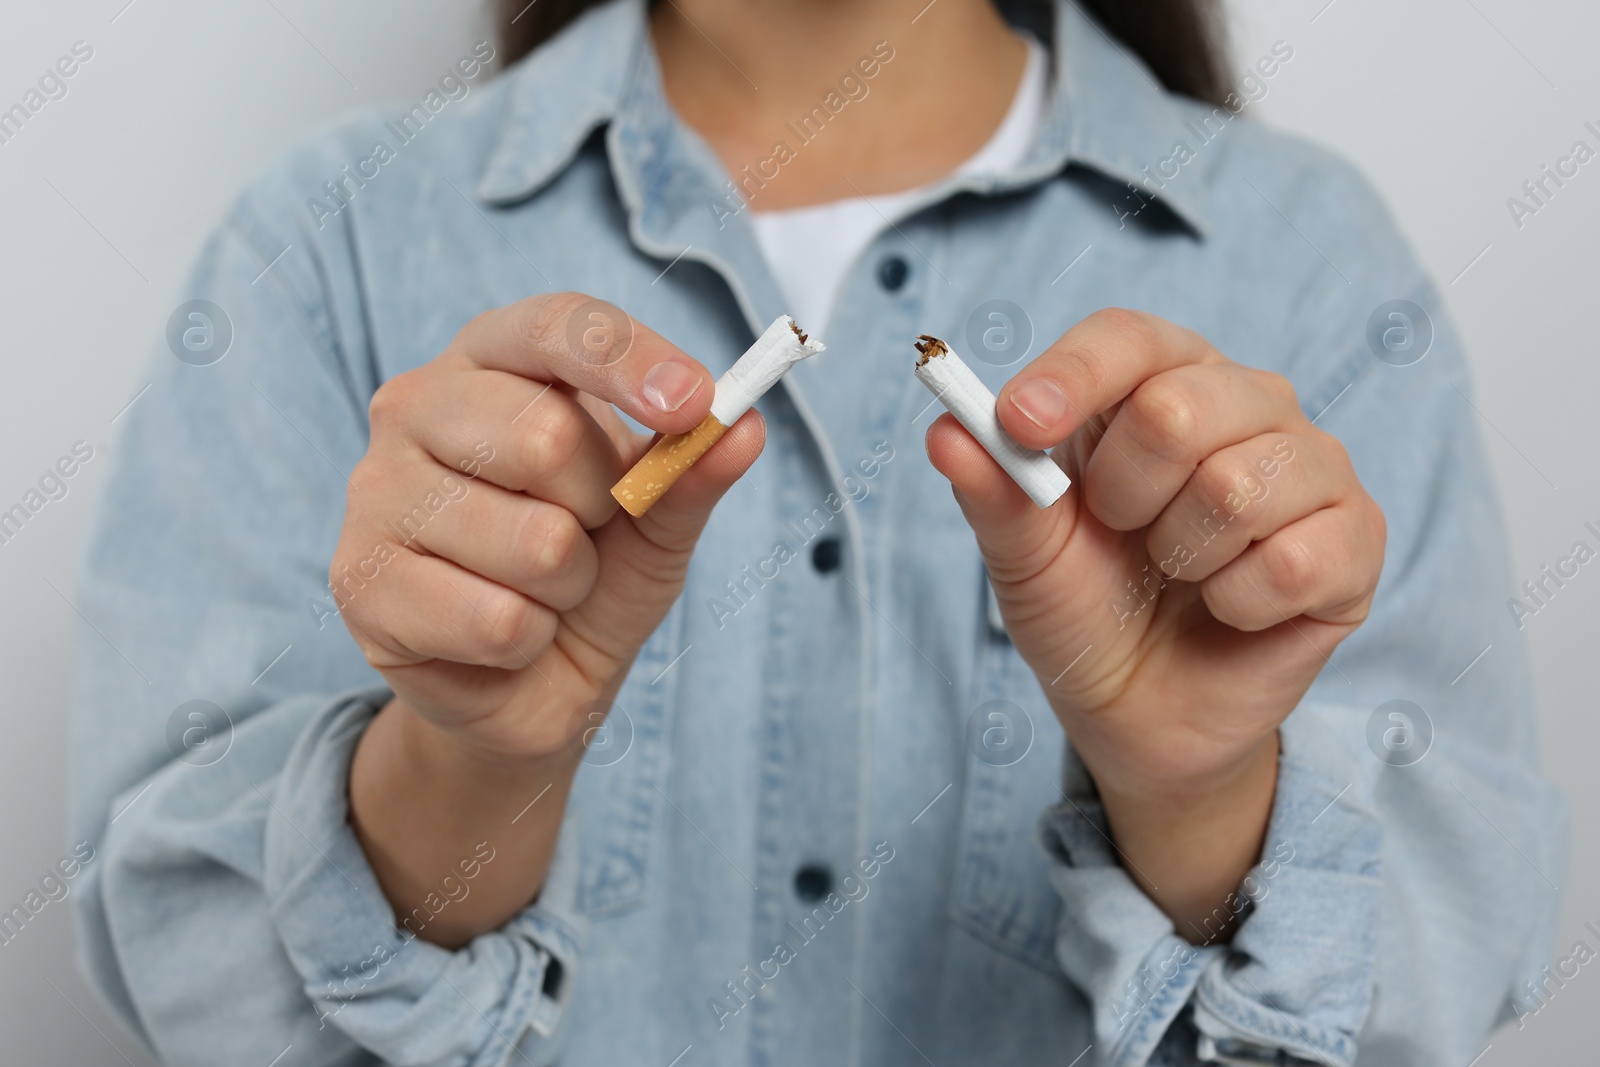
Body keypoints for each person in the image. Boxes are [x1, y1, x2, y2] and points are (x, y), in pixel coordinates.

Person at [70, 0, 1563, 1063]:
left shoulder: (1305, 253)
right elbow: (192, 979)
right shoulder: (333, 239)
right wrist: (470, 766)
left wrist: (1203, 798)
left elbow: (1437, 970)